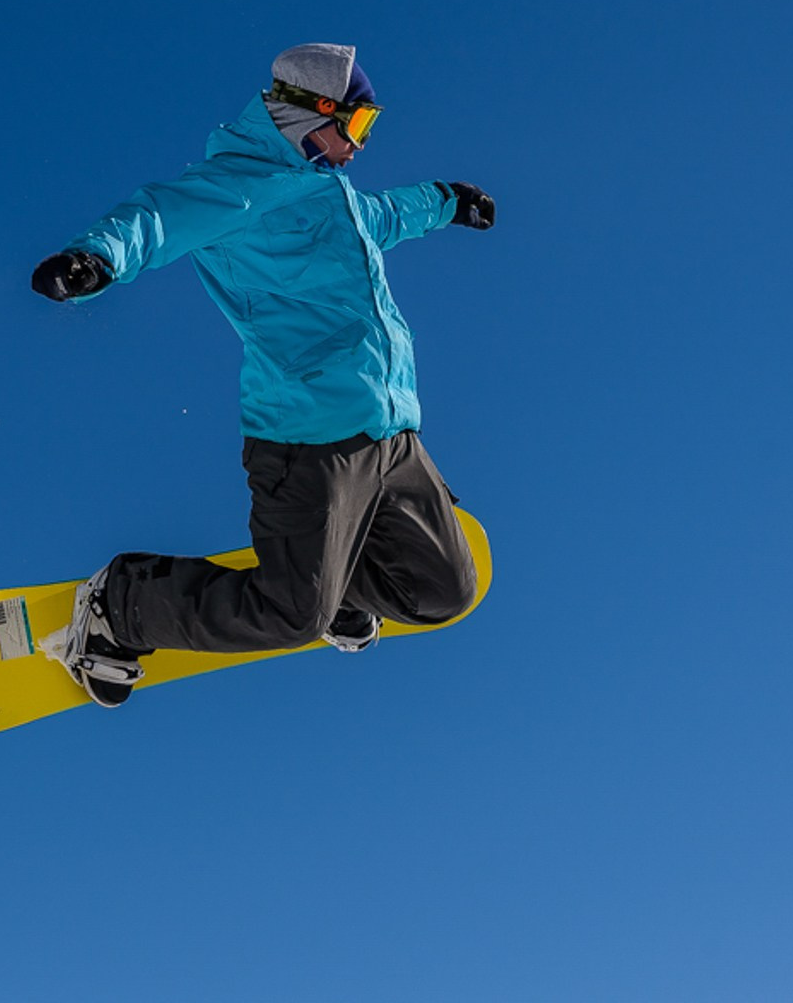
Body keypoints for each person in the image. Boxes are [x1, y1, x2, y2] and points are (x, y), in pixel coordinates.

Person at [29, 43, 497, 707]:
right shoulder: (234, 187)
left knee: (444, 592)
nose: (359, 147)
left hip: (390, 431)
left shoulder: (334, 196)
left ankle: (338, 583)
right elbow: (155, 218)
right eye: (357, 125)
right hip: (307, 438)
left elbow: (388, 215)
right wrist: (94, 260)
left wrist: (448, 201)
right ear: (309, 112)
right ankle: (122, 605)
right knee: (291, 614)